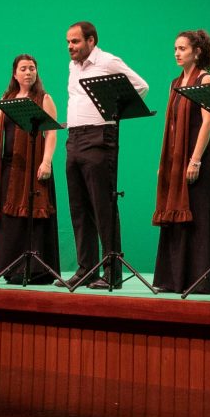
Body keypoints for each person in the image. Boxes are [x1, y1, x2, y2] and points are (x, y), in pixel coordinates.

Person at [62, 22, 150, 289]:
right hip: (74, 138)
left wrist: (112, 108)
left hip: (99, 136)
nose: (70, 47)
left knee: (103, 206)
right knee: (79, 208)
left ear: (91, 41)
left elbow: (141, 86)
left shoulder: (108, 61)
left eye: (75, 41)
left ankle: (112, 272)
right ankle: (86, 269)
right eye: (68, 42)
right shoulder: (73, 66)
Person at [152, 30, 210, 294]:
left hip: (198, 158)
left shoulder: (205, 79)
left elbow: (208, 121)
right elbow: (171, 126)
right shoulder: (175, 83)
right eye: (175, 48)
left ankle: (201, 280)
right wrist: (166, 164)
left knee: (198, 217)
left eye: (182, 48)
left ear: (197, 52)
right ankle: (175, 279)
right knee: (177, 216)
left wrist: (195, 160)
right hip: (177, 160)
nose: (177, 53)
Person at [0, 53, 62, 284]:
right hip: (11, 167)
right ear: (14, 74)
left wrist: (46, 161)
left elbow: (51, 132)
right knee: (12, 219)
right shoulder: (7, 98)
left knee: (35, 217)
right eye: (23, 68)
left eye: (32, 68)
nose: (28, 72)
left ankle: (37, 271)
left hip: (36, 166)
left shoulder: (44, 98)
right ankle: (13, 269)